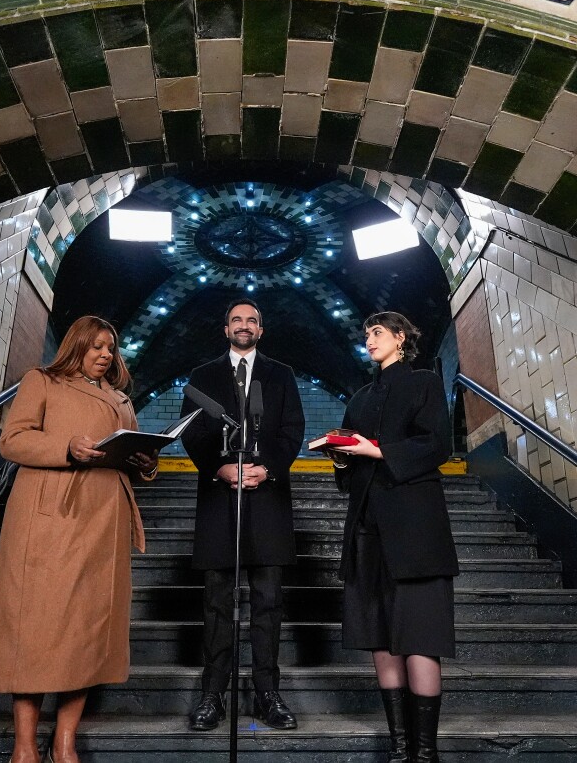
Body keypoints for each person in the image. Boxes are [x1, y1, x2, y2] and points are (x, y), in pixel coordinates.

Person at [0, 315, 156, 763]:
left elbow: (137, 463)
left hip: (105, 520)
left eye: (110, 347)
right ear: (76, 346)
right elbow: (12, 441)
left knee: (86, 629)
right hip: (51, 516)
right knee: (33, 626)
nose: (104, 354)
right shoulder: (42, 381)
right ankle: (23, 745)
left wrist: (144, 462)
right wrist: (66, 448)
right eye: (95, 346)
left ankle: (64, 740)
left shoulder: (119, 398)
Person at [328, 312, 457, 763]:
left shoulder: (422, 382)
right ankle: (401, 749)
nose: (369, 339)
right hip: (366, 529)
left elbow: (438, 444)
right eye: (365, 334)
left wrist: (377, 450)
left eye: (377, 332)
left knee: (419, 636)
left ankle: (426, 753)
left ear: (401, 338)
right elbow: (346, 475)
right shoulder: (359, 398)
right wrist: (341, 457)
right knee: (379, 637)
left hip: (416, 531)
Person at [179, 298, 306, 732]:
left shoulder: (282, 374)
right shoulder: (202, 376)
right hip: (219, 499)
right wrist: (218, 467)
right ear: (226, 328)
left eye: (252, 319)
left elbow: (293, 430)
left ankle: (268, 695)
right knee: (216, 602)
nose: (244, 325)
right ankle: (212, 695)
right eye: (237, 319)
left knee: (268, 603)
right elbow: (192, 431)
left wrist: (266, 467)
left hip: (268, 500)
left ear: (261, 329)